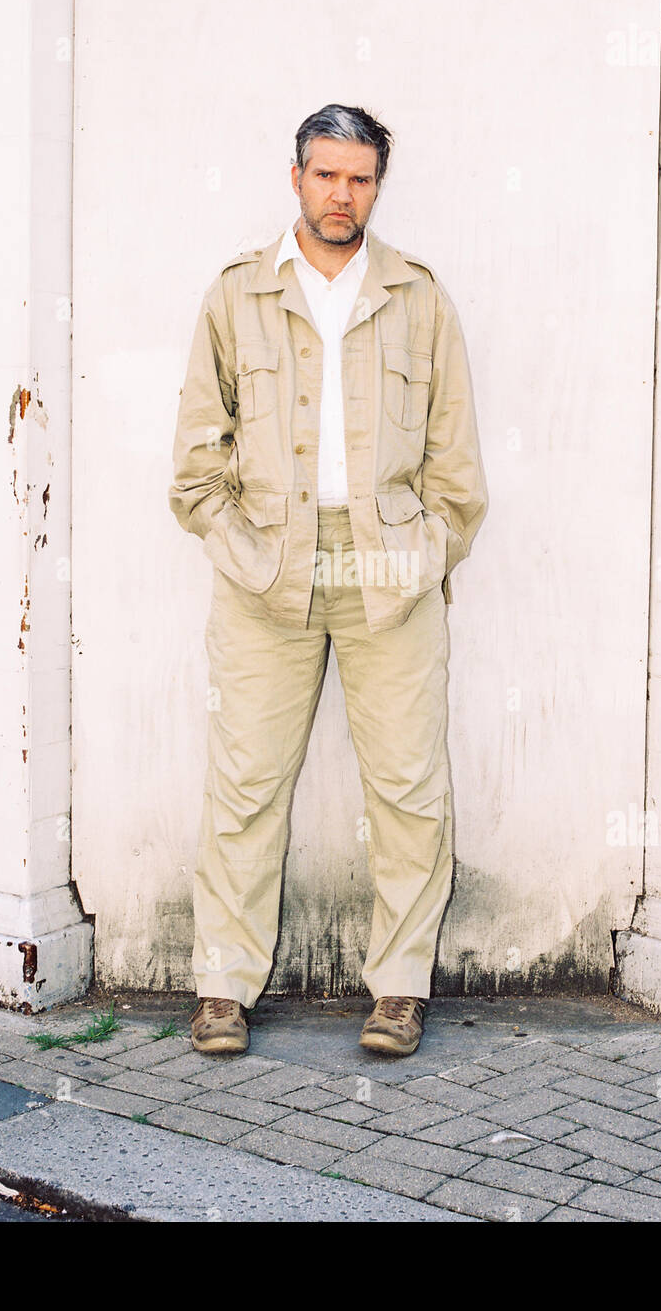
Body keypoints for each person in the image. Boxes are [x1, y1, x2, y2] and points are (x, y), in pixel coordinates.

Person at [169, 103, 488, 1057]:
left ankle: (399, 989)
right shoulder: (236, 296)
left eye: (359, 179)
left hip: (387, 570)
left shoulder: (420, 298)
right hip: (269, 570)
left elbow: (457, 469)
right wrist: (247, 549)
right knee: (246, 783)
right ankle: (224, 986)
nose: (341, 194)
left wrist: (422, 555)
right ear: (296, 178)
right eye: (325, 175)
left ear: (377, 186)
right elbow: (194, 464)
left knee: (407, 786)